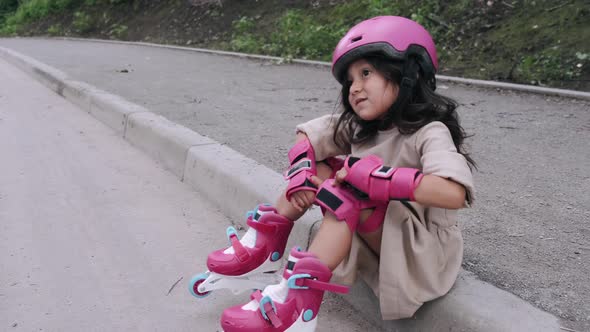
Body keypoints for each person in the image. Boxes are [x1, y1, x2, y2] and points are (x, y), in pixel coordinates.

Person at [204, 15, 476, 332]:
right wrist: (300, 174)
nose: (355, 88)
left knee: (347, 189)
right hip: (384, 237)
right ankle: (266, 246)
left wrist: (379, 179)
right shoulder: (363, 128)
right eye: (350, 80)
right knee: (322, 167)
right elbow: (306, 137)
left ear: (408, 74)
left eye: (366, 73)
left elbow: (453, 193)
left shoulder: (429, 132)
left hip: (421, 256)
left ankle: (298, 306)